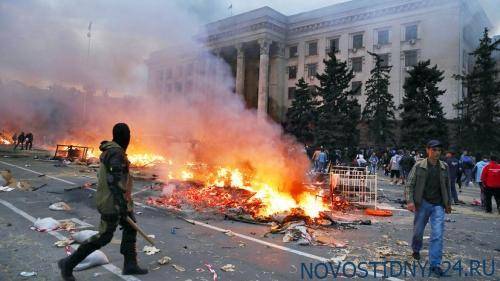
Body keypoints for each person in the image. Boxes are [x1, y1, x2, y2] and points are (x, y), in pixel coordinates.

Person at [58, 123, 148, 281]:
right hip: (112, 202)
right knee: (104, 236)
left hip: (119, 201)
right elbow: (113, 180)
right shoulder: (116, 153)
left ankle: (130, 264)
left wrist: (125, 204)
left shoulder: (113, 151)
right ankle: (68, 264)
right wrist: (120, 205)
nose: (129, 138)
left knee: (130, 227)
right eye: (128, 134)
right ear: (124, 136)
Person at [405, 140, 452, 277]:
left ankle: (435, 264)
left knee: (437, 234)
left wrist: (448, 204)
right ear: (428, 150)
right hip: (423, 203)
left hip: (438, 205)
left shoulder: (444, 167)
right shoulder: (419, 165)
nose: (436, 153)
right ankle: (416, 249)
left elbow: (447, 186)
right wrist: (410, 201)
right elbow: (409, 184)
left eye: (439, 150)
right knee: (418, 231)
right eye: (434, 150)